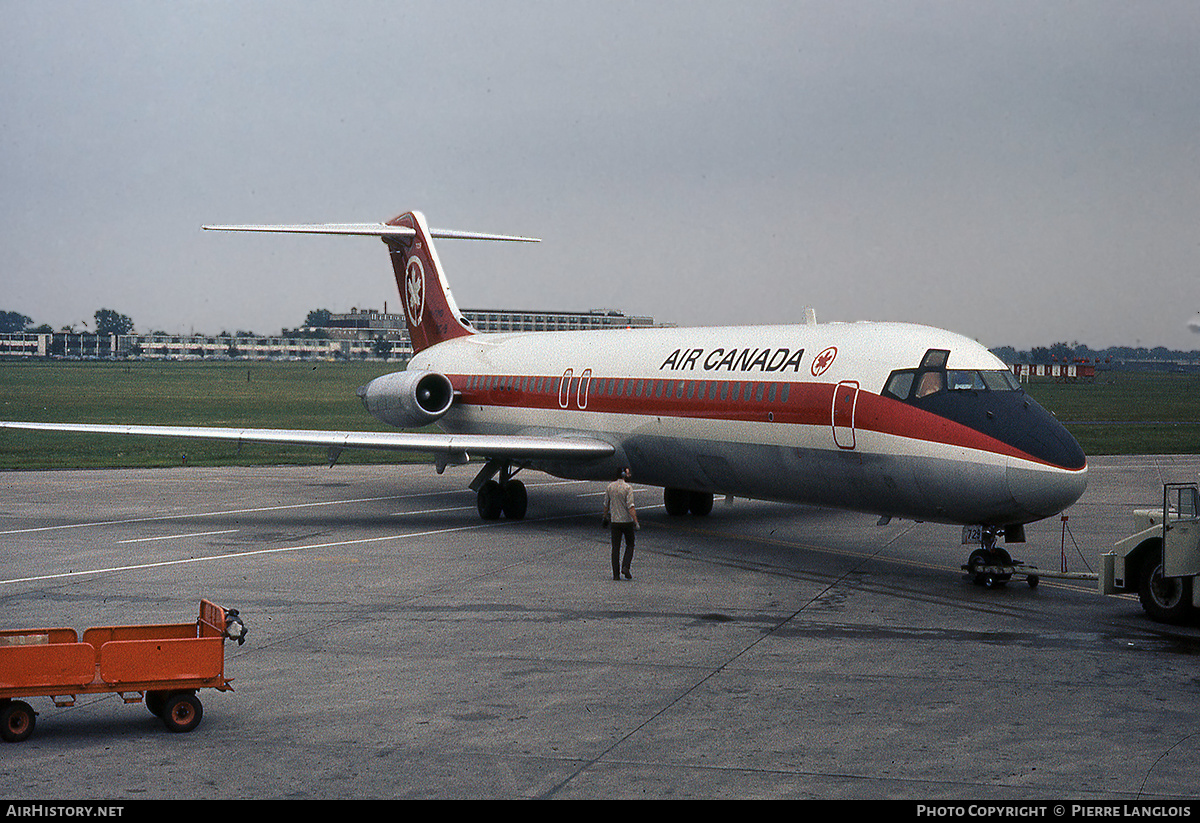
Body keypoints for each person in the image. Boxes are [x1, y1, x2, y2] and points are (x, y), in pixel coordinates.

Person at [604, 467, 639, 579]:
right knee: (630, 544)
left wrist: (605, 517)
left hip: (615, 522)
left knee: (615, 548)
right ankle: (626, 566)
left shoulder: (610, 487)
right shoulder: (627, 488)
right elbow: (630, 506)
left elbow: (606, 505)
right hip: (627, 522)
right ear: (624, 475)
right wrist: (636, 521)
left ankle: (615, 574)